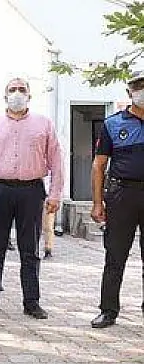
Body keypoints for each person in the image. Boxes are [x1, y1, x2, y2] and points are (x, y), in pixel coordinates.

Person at [0, 78, 63, 320]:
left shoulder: (44, 124)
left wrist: (55, 194)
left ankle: (31, 301)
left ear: (29, 95)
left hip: (31, 191)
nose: (17, 93)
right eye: (12, 89)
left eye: (22, 89)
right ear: (5, 96)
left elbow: (56, 161)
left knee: (30, 249)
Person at [90, 70, 144, 328]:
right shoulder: (113, 124)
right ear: (129, 92)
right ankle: (108, 310)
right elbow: (99, 166)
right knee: (115, 255)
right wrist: (97, 202)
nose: (142, 90)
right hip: (122, 194)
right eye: (138, 86)